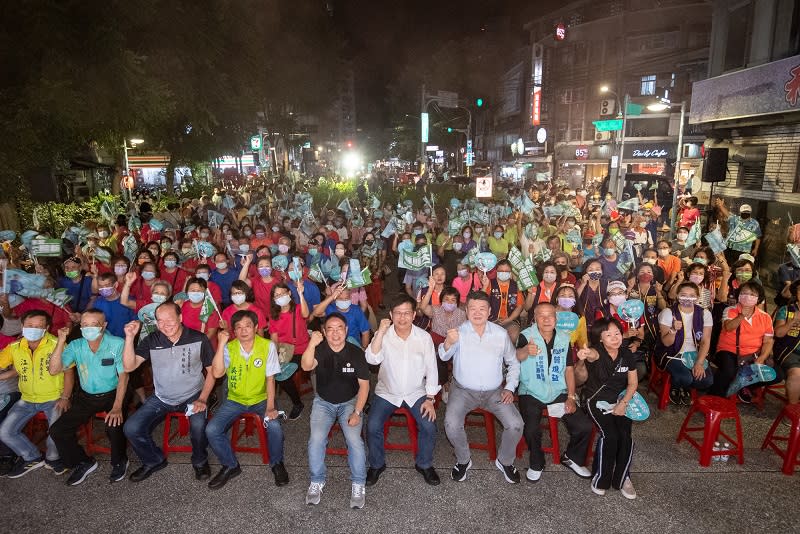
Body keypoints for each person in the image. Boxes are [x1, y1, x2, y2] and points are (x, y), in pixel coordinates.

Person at [122, 302, 216, 482]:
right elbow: (129, 366)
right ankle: (153, 460)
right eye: (160, 321)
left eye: (170, 320)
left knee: (198, 426)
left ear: (180, 318)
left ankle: (199, 460)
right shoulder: (152, 340)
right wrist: (129, 338)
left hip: (193, 394)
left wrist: (203, 398)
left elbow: (212, 372)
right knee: (132, 428)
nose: (165, 325)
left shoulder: (199, 338)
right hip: (162, 397)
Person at [440, 291, 524, 484]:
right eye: (472, 308)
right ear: (466, 310)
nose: (477, 313)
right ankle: (463, 460)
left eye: (482, 308)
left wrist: (510, 387)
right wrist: (448, 342)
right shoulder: (458, 332)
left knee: (516, 424)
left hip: (494, 391)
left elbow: (513, 362)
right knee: (451, 425)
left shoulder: (500, 334)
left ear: (489, 311)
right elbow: (443, 357)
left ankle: (505, 460)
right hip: (462, 390)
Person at [205, 310, 288, 489]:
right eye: (239, 327)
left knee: (274, 427)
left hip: (261, 398)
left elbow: (270, 379)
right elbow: (217, 373)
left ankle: (277, 463)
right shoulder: (229, 347)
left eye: (248, 326)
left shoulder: (267, 346)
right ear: (234, 331)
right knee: (212, 429)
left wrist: (271, 407)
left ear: (256, 327)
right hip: (235, 400)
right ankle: (230, 465)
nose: (243, 331)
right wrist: (220, 345)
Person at [365, 295, 440, 486]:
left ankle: (424, 464)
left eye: (407, 313)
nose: (402, 317)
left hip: (416, 392)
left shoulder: (424, 337)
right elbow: (371, 359)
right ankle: (376, 464)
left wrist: (430, 399)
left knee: (429, 425)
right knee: (372, 426)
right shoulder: (384, 334)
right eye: (398, 313)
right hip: (387, 392)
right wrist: (380, 332)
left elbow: (432, 368)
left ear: (414, 315)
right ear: (390, 314)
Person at [47, 309, 129, 485]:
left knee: (114, 426)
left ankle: (120, 460)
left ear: (103, 326)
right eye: (84, 325)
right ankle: (82, 462)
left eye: (94, 324)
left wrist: (117, 406)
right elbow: (54, 369)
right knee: (58, 430)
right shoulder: (76, 345)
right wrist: (61, 341)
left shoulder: (117, 343)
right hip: (86, 396)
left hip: (112, 393)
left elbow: (124, 376)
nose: (88, 328)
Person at [516, 303, 593, 483]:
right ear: (534, 318)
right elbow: (516, 356)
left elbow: (568, 370)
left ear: (556, 318)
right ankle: (537, 460)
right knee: (532, 428)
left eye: (550, 315)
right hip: (531, 390)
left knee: (584, 426)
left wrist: (571, 396)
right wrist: (526, 350)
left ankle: (572, 457)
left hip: (558, 390)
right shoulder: (526, 335)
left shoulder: (564, 338)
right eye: (541, 315)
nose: (546, 319)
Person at [300, 313, 370, 509]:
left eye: (339, 328)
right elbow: (306, 366)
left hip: (350, 402)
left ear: (346, 330)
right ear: (324, 332)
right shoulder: (320, 349)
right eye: (330, 329)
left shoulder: (356, 353)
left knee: (354, 440)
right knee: (316, 439)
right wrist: (311, 344)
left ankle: (358, 482)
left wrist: (357, 412)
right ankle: (317, 480)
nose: (335, 333)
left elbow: (364, 386)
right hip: (324, 402)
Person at [0, 310, 73, 478]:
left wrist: (65, 397)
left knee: (56, 431)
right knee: (5, 431)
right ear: (22, 326)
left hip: (53, 397)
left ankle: (53, 459)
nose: (34, 329)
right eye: (30, 326)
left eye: (39, 326)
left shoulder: (57, 344)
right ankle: (31, 457)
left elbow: (69, 373)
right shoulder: (14, 347)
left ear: (47, 328)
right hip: (26, 398)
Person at [579, 318, 639, 499]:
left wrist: (624, 403)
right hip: (596, 400)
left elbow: (633, 383)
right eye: (608, 335)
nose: (614, 338)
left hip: (621, 400)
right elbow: (592, 356)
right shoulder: (596, 352)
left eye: (617, 334)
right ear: (600, 338)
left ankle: (623, 478)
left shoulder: (627, 354)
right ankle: (601, 478)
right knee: (610, 435)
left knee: (625, 437)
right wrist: (585, 355)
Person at [709, 281, 775, 402]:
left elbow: (768, 341)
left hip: (752, 354)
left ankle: (744, 386)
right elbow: (728, 327)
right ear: (739, 295)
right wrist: (741, 316)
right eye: (744, 293)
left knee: (775, 374)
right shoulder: (730, 310)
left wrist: (761, 358)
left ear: (758, 298)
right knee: (728, 371)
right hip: (729, 350)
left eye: (752, 294)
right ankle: (715, 397)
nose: (748, 296)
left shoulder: (765, 317)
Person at [656, 282, 714, 405]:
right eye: (683, 295)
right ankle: (677, 386)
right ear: (677, 296)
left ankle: (684, 385)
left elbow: (705, 341)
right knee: (685, 377)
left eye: (692, 295)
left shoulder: (705, 313)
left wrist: (699, 362)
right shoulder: (668, 312)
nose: (687, 298)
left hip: (694, 353)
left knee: (706, 381)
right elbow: (666, 343)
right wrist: (673, 330)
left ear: (697, 298)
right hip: (672, 352)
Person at [269, 281, 310, 420]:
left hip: (302, 350)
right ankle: (269, 404)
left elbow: (306, 314)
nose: (280, 297)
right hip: (285, 351)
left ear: (289, 293)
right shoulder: (274, 316)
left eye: (282, 293)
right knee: (275, 371)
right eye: (276, 295)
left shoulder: (298, 308)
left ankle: (297, 404)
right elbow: (274, 340)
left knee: (283, 375)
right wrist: (275, 357)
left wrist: (301, 294)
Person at [772, 279, 800, 404]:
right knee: (796, 374)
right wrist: (793, 321)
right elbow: (778, 333)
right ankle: (791, 412)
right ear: (796, 292)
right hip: (787, 351)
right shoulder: (787, 310)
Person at [484, 260, 524, 327]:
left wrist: (509, 319)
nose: (504, 273)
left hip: (511, 320)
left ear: (510, 273)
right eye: (501, 271)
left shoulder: (516, 286)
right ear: (496, 271)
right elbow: (480, 301)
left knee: (513, 335)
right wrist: (484, 287)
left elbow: (519, 306)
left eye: (506, 271)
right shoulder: (489, 283)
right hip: (491, 320)